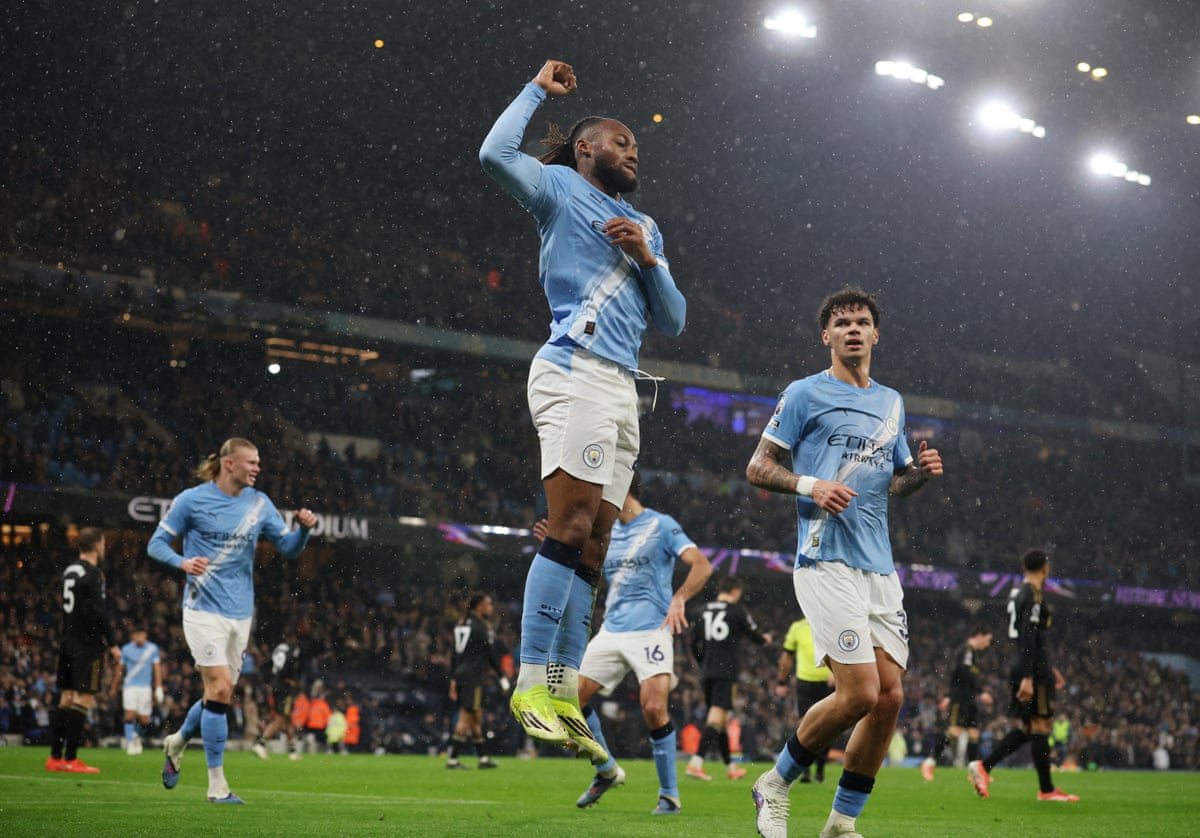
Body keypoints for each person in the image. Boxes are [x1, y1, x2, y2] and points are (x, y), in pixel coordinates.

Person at [479, 58, 687, 759]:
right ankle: (530, 679)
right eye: (620, 142)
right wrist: (537, 88)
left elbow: (676, 321)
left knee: (595, 545)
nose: (632, 151)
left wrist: (649, 258)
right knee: (568, 527)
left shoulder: (643, 223)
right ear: (586, 148)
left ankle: (563, 689)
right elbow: (492, 153)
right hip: (575, 370)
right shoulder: (560, 189)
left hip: (624, 387)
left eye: (636, 146)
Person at [745, 287, 944, 838]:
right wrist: (811, 484)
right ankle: (775, 783)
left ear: (876, 335)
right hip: (824, 558)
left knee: (890, 699)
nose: (852, 329)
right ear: (826, 336)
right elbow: (758, 467)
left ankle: (840, 824)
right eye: (841, 322)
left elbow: (898, 483)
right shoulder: (804, 394)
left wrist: (920, 474)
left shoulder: (892, 402)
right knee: (859, 693)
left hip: (880, 567)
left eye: (862, 322)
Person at [148, 437, 317, 804]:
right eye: (251, 462)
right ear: (229, 464)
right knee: (221, 689)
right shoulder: (191, 500)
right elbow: (155, 544)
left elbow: (288, 549)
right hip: (201, 609)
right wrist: (182, 562)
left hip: (241, 613)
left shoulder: (260, 504)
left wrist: (303, 529)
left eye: (259, 462)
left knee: (217, 694)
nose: (258, 468)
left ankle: (177, 742)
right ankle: (217, 786)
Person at [568, 473, 712, 815]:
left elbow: (702, 566)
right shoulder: (604, 532)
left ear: (622, 491)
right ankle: (606, 770)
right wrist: (558, 549)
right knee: (570, 701)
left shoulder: (661, 525)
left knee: (652, 708)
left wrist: (680, 597)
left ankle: (669, 796)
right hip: (613, 629)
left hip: (652, 628)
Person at [968, 549, 1079, 803]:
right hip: (1031, 667)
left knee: (1030, 728)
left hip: (1025, 662)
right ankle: (1046, 790)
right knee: (1041, 725)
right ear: (1045, 568)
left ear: (1023, 567)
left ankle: (984, 767)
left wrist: (1047, 667)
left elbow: (1029, 636)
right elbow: (1030, 635)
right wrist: (1030, 675)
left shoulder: (1018, 592)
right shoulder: (1033, 594)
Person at [46, 526, 121, 774]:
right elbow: (98, 613)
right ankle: (71, 758)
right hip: (87, 644)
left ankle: (55, 757)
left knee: (66, 698)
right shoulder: (94, 575)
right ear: (98, 545)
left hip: (68, 641)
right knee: (83, 698)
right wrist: (112, 643)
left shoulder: (70, 570)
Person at [686, 575, 773, 782]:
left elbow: (693, 644)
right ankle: (696, 763)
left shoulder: (701, 611)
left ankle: (731, 767)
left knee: (722, 720)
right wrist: (765, 639)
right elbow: (755, 635)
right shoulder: (736, 611)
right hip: (726, 672)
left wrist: (702, 663)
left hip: (707, 672)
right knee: (716, 717)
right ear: (735, 591)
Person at [446, 591, 510, 770]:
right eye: (488, 604)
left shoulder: (461, 624)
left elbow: (455, 654)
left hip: (461, 675)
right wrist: (502, 676)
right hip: (474, 676)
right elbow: (490, 653)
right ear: (479, 606)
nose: (491, 607)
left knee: (476, 716)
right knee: (466, 717)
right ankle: (452, 759)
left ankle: (482, 758)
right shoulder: (482, 626)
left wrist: (453, 677)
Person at [921, 626, 993, 780]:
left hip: (970, 699)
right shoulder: (966, 651)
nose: (987, 644)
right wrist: (980, 692)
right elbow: (963, 673)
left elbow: (958, 676)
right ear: (979, 635)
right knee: (954, 731)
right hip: (961, 699)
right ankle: (929, 762)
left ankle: (975, 773)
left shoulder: (972, 653)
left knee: (974, 733)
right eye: (987, 640)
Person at [774, 614, 836, 784]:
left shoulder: (831, 622)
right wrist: (781, 681)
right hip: (805, 682)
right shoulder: (797, 627)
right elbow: (787, 657)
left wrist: (836, 673)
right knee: (805, 724)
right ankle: (806, 769)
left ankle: (820, 769)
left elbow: (844, 648)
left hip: (827, 682)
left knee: (828, 726)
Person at [110, 625, 165, 756]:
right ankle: (130, 742)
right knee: (129, 714)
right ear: (133, 636)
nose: (140, 637)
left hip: (145, 688)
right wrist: (114, 686)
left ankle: (137, 738)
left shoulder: (152, 649)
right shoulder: (126, 649)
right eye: (137, 635)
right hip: (130, 686)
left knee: (145, 719)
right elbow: (120, 669)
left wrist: (158, 687)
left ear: (145, 635)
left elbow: (157, 668)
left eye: (142, 634)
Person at [253, 635, 305, 760]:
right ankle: (261, 744)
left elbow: (268, 665)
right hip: (285, 687)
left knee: (287, 719)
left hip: (276, 685)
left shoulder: (279, 648)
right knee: (280, 718)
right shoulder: (294, 650)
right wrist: (293, 679)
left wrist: (271, 679)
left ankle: (292, 751)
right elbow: (291, 666)